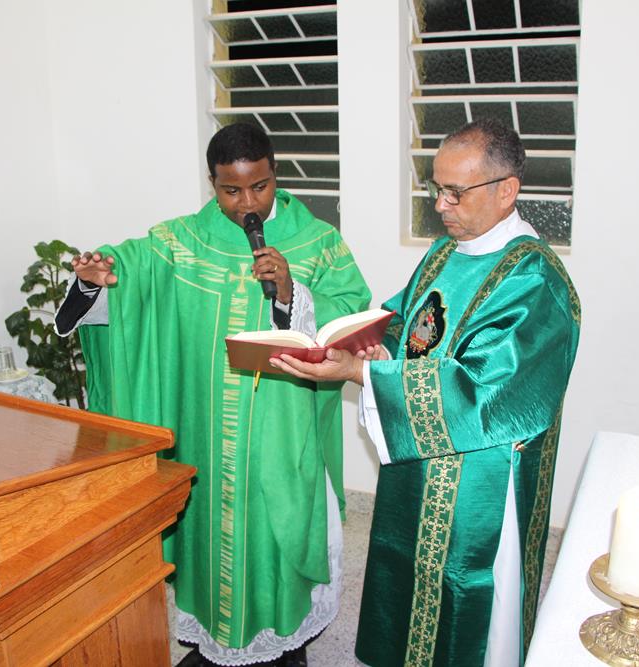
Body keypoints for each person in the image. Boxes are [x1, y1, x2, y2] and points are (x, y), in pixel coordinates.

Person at [55, 123, 371, 666]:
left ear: (275, 175)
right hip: (204, 426)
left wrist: (293, 293)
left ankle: (285, 638)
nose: (247, 203)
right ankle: (217, 641)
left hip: (282, 425)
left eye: (260, 186)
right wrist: (93, 278)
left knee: (279, 527)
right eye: (231, 190)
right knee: (207, 529)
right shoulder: (180, 242)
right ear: (213, 184)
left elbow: (350, 313)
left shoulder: (318, 241)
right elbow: (127, 273)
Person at [270, 117, 580, 666]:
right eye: (437, 188)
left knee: (468, 596)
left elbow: (484, 392)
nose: (441, 205)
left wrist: (361, 375)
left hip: (481, 482)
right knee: (404, 567)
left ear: (507, 190)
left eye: (456, 192)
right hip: (417, 463)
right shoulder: (444, 253)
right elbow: (406, 323)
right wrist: (363, 347)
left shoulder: (535, 281)